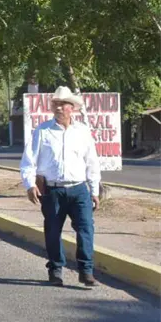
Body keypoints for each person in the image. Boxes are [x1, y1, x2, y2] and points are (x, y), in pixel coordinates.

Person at [19, 86, 100, 288]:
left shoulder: (82, 132)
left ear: (71, 108)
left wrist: (95, 190)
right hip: (53, 190)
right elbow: (29, 161)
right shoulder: (43, 131)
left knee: (86, 229)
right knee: (53, 231)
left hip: (79, 189)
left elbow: (92, 162)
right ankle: (55, 270)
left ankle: (86, 271)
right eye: (55, 104)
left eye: (62, 104)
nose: (58, 107)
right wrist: (30, 185)